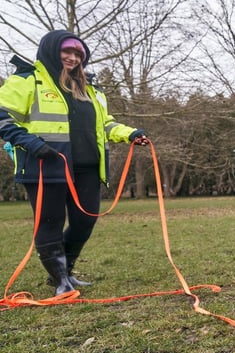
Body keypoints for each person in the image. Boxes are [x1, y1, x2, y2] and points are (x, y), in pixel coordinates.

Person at [0, 30, 150, 296]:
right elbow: (3, 117)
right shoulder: (27, 80)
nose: (72, 58)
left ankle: (65, 270)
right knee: (50, 222)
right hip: (45, 165)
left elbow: (105, 123)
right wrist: (32, 144)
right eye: (66, 51)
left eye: (78, 54)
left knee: (85, 220)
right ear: (51, 50)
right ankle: (60, 280)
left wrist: (130, 134)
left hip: (87, 167)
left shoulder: (91, 88)